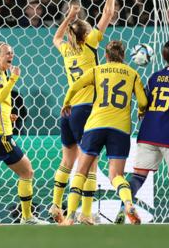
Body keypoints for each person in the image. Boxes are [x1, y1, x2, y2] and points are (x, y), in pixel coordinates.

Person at [50, 0, 117, 225]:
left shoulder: (67, 51)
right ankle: (86, 213)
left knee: (67, 160)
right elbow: (108, 13)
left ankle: (56, 203)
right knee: (90, 162)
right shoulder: (90, 45)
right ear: (87, 34)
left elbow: (56, 37)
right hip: (86, 109)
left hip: (66, 111)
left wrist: (69, 16)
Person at [60, 41, 148, 226]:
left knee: (81, 171)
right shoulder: (133, 74)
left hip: (96, 125)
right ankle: (128, 203)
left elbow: (75, 86)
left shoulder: (97, 70)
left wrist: (67, 102)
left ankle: (69, 218)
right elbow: (142, 101)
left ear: (106, 56)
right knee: (116, 175)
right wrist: (141, 110)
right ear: (124, 56)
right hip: (121, 129)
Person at [0, 42, 46, 225]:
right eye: (7, 53)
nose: (11, 56)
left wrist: (6, 115)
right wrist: (14, 79)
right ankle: (27, 217)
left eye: (12, 53)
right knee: (27, 172)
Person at [119, 40, 169, 224]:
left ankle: (123, 208)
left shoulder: (154, 77)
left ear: (162, 56)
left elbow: (143, 100)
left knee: (138, 176)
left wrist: (141, 113)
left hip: (148, 132)